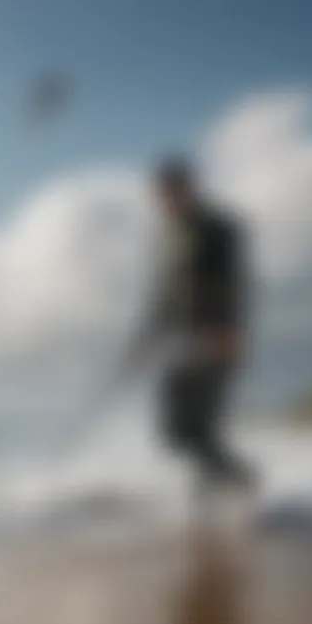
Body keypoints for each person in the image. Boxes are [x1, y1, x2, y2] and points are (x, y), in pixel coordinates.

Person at [126, 156, 253, 495]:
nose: (163, 200)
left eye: (168, 192)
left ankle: (235, 487)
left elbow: (233, 281)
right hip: (182, 340)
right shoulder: (170, 236)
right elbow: (164, 294)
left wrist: (228, 330)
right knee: (176, 429)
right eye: (160, 194)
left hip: (216, 336)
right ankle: (230, 484)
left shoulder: (217, 228)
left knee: (200, 424)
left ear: (186, 188)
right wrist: (144, 338)